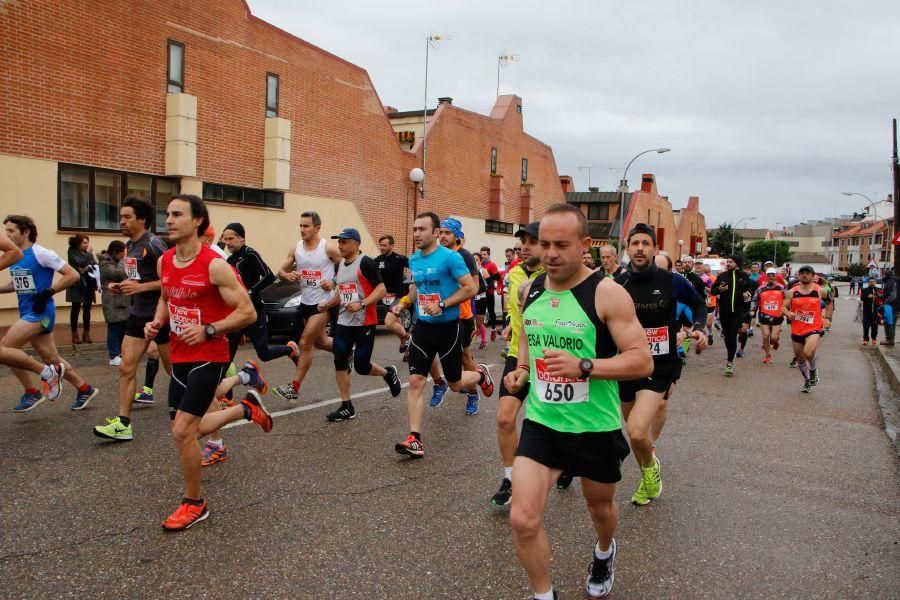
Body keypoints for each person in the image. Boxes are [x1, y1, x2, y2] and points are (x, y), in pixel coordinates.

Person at [502, 203, 652, 600]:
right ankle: (543, 594)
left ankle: (604, 551)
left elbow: (642, 359)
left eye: (561, 245)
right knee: (522, 518)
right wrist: (521, 370)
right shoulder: (529, 288)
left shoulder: (606, 293)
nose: (549, 253)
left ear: (585, 245)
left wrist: (585, 366)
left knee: (599, 510)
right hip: (543, 422)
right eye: (543, 244)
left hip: (594, 426)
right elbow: (528, 339)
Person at [144, 194, 273, 531]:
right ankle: (245, 409)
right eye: (167, 214)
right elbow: (166, 297)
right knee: (185, 429)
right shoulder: (166, 261)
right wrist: (158, 321)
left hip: (210, 353)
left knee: (182, 430)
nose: (169, 220)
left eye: (177, 214)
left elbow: (247, 311)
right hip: (180, 354)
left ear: (197, 221)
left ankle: (194, 503)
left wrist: (210, 329)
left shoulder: (216, 264)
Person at [616, 224, 707, 506]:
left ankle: (649, 472)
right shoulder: (617, 284)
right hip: (627, 365)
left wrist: (701, 327)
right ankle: (649, 469)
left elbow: (699, 304)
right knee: (633, 430)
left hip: (659, 366)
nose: (640, 248)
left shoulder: (673, 281)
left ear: (655, 249)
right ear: (627, 249)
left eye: (646, 243)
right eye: (635, 243)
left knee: (637, 430)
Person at [390, 212, 493, 458]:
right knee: (416, 381)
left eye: (422, 229)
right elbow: (417, 287)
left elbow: (472, 287)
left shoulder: (451, 258)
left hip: (449, 327)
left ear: (436, 232)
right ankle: (415, 438)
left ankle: (479, 375)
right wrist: (404, 302)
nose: (416, 234)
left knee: (456, 384)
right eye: (414, 229)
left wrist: (444, 304)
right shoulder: (414, 260)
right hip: (424, 327)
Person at [492, 221, 565, 507]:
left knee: (554, 423)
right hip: (517, 356)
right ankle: (510, 478)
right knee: (505, 417)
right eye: (521, 241)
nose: (523, 246)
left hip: (551, 359)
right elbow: (517, 311)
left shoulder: (557, 276)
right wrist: (511, 325)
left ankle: (565, 460)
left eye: (531, 241)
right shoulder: (513, 274)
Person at [94, 197, 173, 440]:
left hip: (161, 316)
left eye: (127, 217)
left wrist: (140, 288)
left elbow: (171, 280)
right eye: (121, 217)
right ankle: (123, 423)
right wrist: (123, 286)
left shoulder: (155, 244)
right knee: (127, 367)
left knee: (175, 371)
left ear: (141, 219)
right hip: (138, 315)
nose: (122, 222)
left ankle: (212, 401)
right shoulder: (131, 246)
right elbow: (138, 279)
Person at [1, 215, 96, 412]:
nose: (7, 235)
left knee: (5, 350)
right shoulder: (17, 257)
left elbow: (73, 275)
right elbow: (17, 284)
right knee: (52, 359)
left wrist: (49, 293)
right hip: (27, 312)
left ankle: (31, 392)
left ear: (25, 232)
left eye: (11, 231)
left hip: (41, 313)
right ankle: (84, 388)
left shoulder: (41, 253)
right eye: (6, 231)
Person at [316, 227, 402, 421]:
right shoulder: (340, 266)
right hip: (344, 322)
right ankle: (347, 406)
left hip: (365, 321)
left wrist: (362, 303)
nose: (340, 246)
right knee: (340, 360)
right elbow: (343, 292)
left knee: (362, 366)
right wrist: (327, 304)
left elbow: (381, 289)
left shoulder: (366, 263)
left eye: (344, 242)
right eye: (339, 242)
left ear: (356, 244)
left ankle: (387, 373)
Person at [273, 211, 338, 400]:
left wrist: (333, 281)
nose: (302, 229)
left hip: (322, 303)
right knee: (322, 342)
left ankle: (294, 387)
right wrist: (288, 275)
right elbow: (281, 271)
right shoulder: (296, 249)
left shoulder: (328, 249)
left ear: (317, 228)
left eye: (306, 226)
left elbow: (347, 267)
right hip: (305, 302)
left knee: (305, 343)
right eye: (301, 226)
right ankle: (346, 349)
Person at [222, 222, 299, 363]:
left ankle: (290, 349)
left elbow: (269, 276)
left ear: (242, 239)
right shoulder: (229, 260)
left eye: (231, 239)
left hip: (255, 310)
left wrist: (250, 292)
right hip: (238, 312)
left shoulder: (250, 254)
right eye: (225, 239)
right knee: (227, 355)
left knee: (264, 354)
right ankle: (223, 384)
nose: (228, 243)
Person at [438, 218, 483, 415]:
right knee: (436, 354)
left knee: (465, 357)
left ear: (457, 236)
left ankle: (473, 392)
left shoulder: (464, 255)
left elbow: (475, 287)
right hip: (440, 314)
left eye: (447, 233)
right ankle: (441, 384)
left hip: (462, 316)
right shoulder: (437, 255)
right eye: (440, 232)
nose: (442, 236)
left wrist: (452, 294)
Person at [783, 265, 833, 393]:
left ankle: (813, 370)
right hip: (797, 328)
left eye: (807, 273)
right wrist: (788, 313)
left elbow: (829, 302)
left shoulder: (820, 290)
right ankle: (807, 380)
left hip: (814, 327)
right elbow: (783, 308)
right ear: (798, 275)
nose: (804, 275)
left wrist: (828, 318)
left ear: (812, 276)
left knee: (808, 352)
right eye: (802, 273)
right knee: (800, 358)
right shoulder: (791, 292)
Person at [710, 255, 755, 376]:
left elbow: (751, 288)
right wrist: (720, 289)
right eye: (727, 261)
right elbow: (713, 291)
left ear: (737, 263)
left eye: (731, 261)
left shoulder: (743, 276)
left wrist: (747, 293)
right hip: (725, 311)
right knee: (727, 336)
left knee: (733, 334)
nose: (728, 263)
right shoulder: (722, 276)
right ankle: (730, 352)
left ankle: (729, 361)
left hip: (738, 311)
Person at [375, 234, 411, 353]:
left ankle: (407, 338)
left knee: (388, 323)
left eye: (384, 245)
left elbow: (417, 267)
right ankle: (408, 348)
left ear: (392, 245)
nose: (382, 247)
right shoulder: (377, 260)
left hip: (397, 296)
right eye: (380, 245)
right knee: (397, 325)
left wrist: (413, 281)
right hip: (384, 297)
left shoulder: (399, 259)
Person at [97, 240, 131, 366]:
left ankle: (121, 353)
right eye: (122, 253)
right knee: (114, 328)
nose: (124, 255)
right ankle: (113, 355)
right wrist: (124, 260)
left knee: (124, 327)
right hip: (112, 301)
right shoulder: (104, 263)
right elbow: (118, 273)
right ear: (115, 252)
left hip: (124, 300)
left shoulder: (117, 261)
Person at [65, 234, 98, 344]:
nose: (87, 245)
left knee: (87, 309)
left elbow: (94, 264)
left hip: (88, 283)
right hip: (77, 284)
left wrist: (87, 267)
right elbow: (80, 263)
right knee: (76, 308)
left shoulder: (87, 253)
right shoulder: (72, 252)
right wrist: (87, 255)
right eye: (84, 243)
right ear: (78, 243)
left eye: (87, 242)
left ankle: (86, 333)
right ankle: (74, 334)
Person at [751, 268, 786, 364]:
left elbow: (787, 300)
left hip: (777, 316)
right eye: (769, 275)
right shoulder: (761, 288)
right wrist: (753, 310)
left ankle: (776, 341)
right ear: (766, 276)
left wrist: (786, 310)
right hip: (764, 316)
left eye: (773, 275)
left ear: (776, 276)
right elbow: (754, 300)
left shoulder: (781, 287)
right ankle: (767, 355)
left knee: (773, 338)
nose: (771, 277)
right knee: (766, 336)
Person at [480, 246, 501, 338]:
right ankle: (480, 330)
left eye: (484, 254)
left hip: (489, 291)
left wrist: (487, 279)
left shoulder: (492, 265)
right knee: (481, 312)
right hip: (480, 292)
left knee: (491, 311)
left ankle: (493, 328)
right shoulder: (479, 265)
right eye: (481, 254)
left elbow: (497, 277)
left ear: (489, 255)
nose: (483, 256)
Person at [860, 278, 879, 345]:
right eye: (870, 282)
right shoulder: (865, 290)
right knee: (866, 326)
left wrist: (877, 296)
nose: (872, 283)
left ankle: (874, 339)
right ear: (868, 283)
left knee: (874, 326)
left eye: (873, 281)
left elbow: (882, 298)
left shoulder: (878, 290)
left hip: (875, 311)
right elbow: (862, 298)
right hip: (867, 311)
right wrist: (867, 297)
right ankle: (865, 339)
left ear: (875, 282)